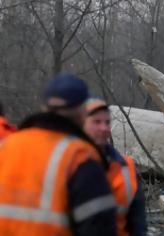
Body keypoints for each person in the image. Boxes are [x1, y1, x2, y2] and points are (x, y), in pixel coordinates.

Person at [0, 74, 117, 236]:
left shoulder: (7, 146)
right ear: (83, 112)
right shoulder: (80, 157)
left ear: (44, 107)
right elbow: (99, 229)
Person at [84, 98, 147, 236]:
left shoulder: (126, 168)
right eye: (97, 122)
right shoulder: (66, 165)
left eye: (107, 122)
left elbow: (138, 225)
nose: (104, 128)